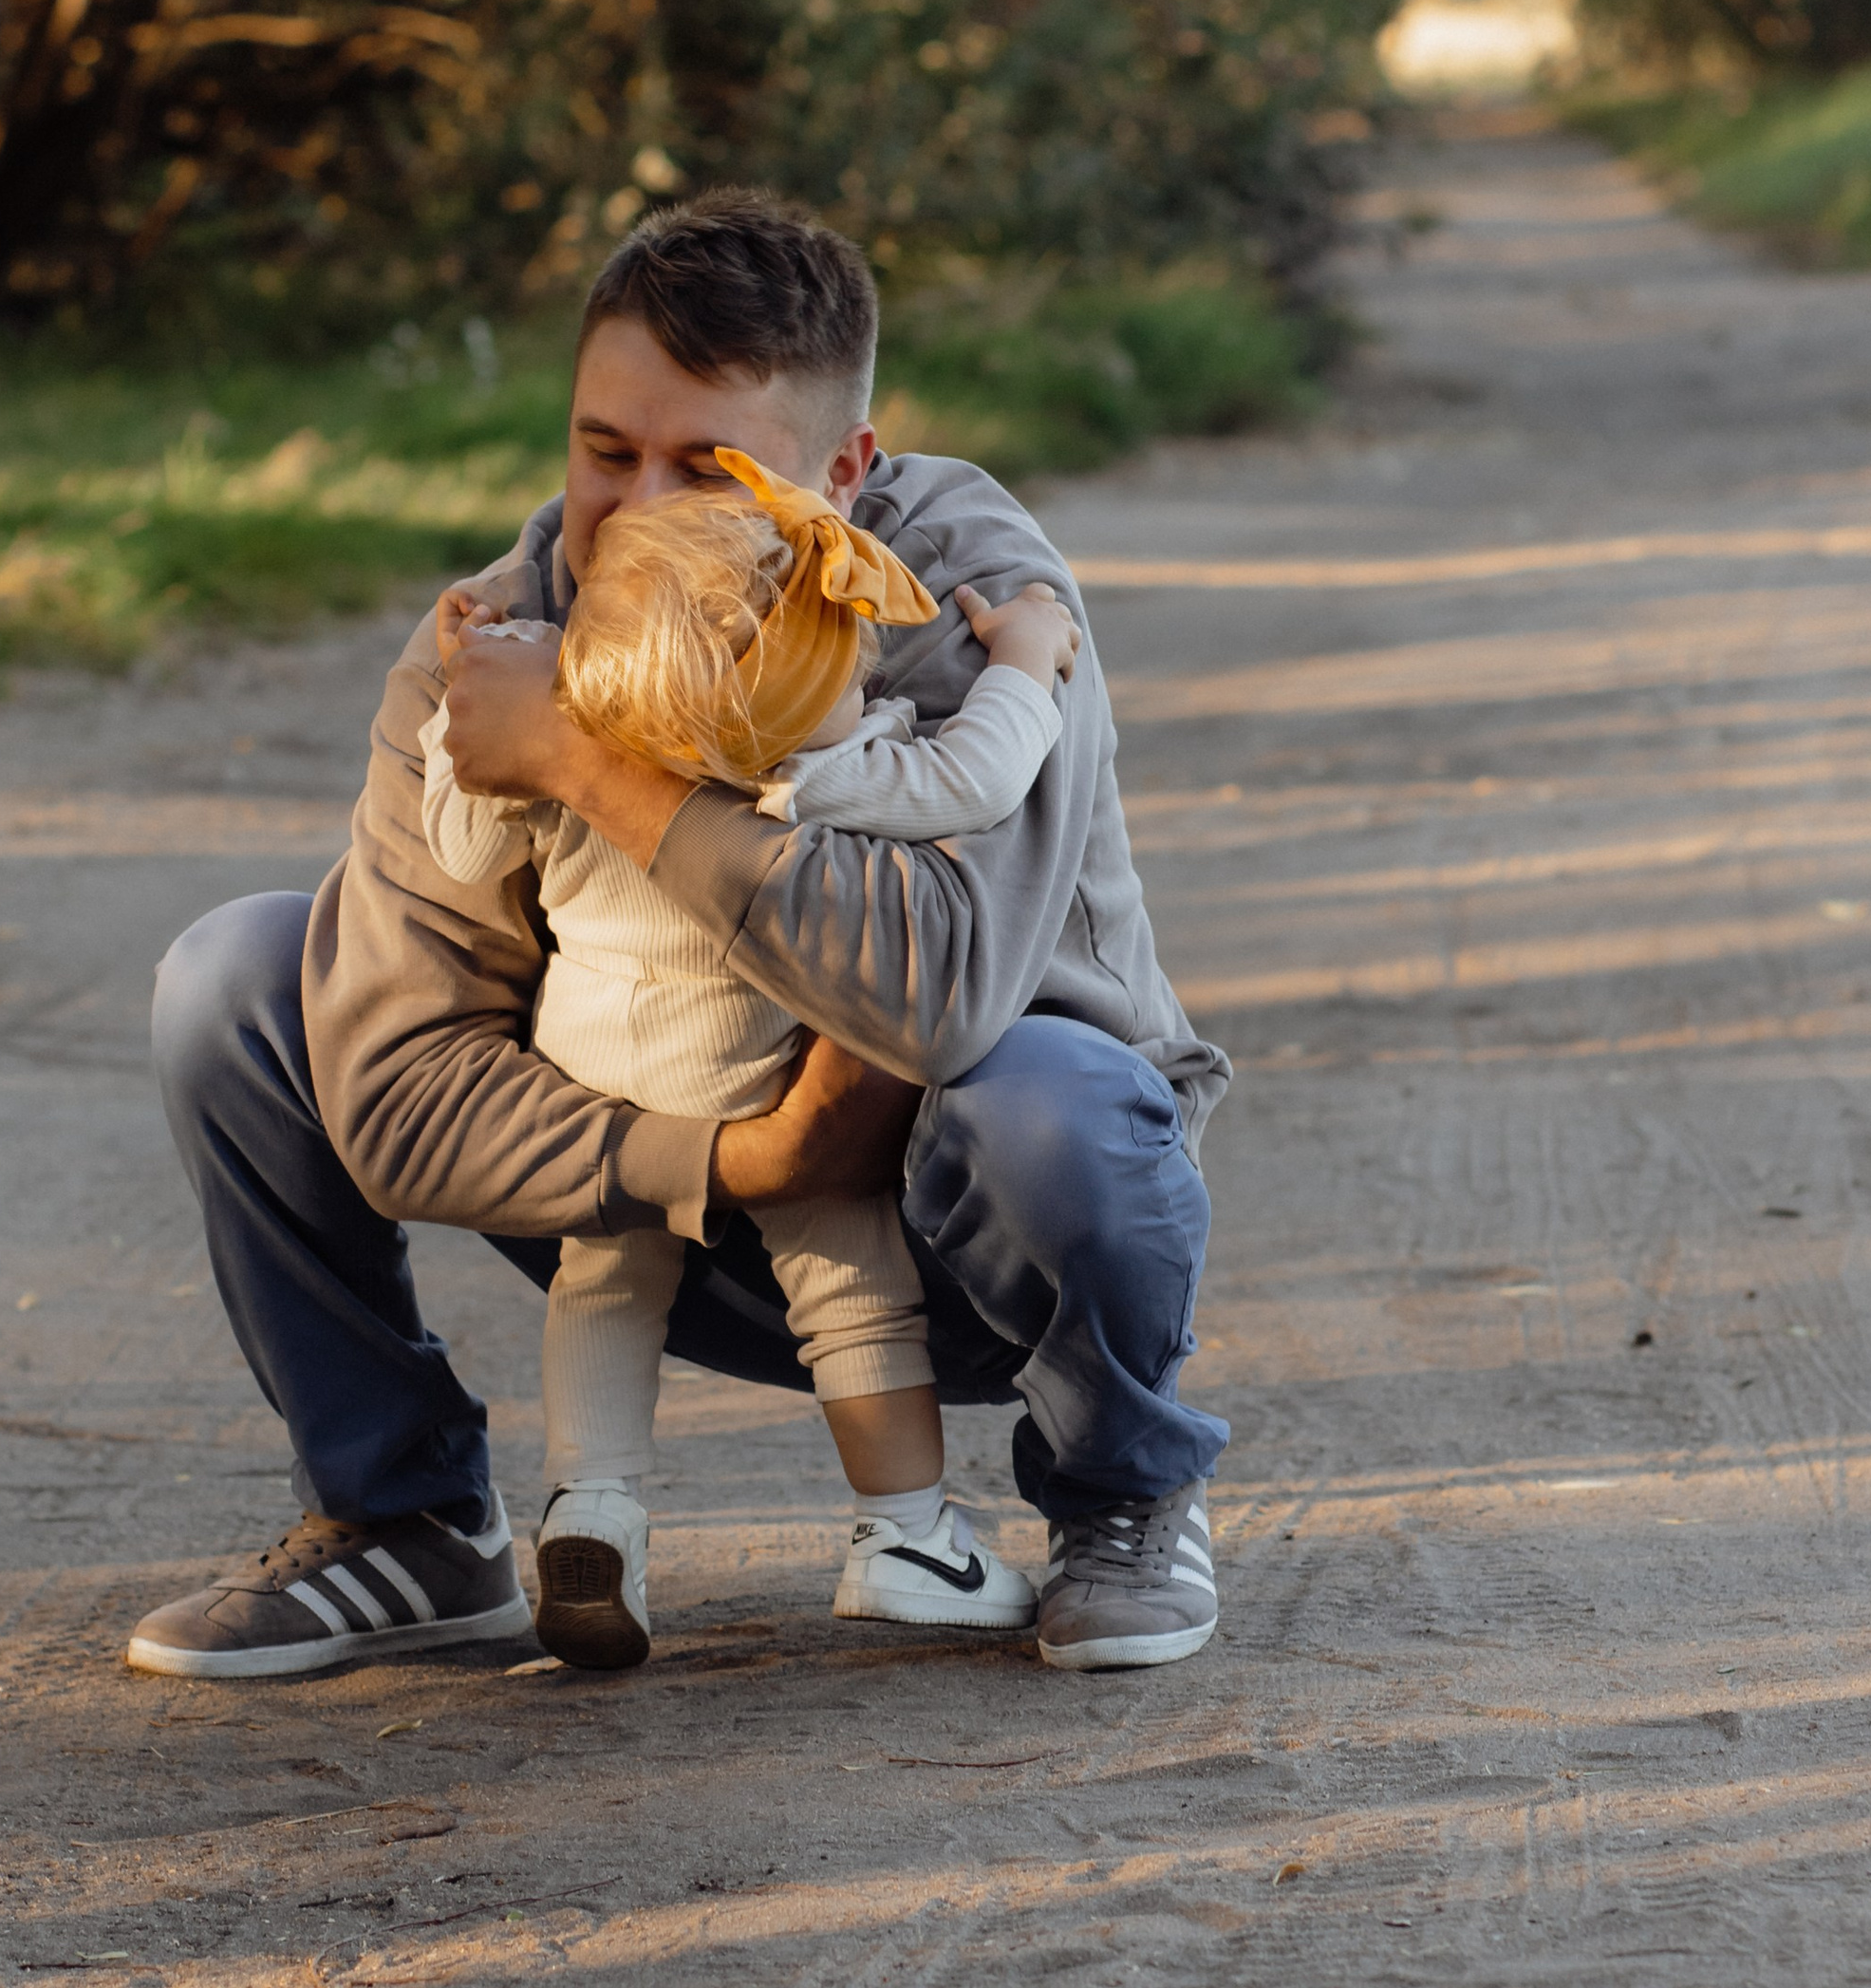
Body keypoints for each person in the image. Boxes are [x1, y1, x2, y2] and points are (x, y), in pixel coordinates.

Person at [126, 190, 1229, 1686]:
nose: (637, 511)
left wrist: (590, 767)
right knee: (239, 983)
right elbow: (390, 1097)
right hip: (652, 1200)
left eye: (704, 470)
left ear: (843, 471)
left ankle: (1120, 1493)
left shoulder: (956, 592)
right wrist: (725, 1166)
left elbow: (947, 1000)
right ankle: (407, 1526)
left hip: (964, 1236)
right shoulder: (494, 637)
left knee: (1049, 1094)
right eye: (604, 452)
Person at [421, 451, 1085, 1665]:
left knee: (603, 1285)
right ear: (790, 682)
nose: (870, 665)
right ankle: (905, 1536)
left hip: (596, 1075)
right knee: (849, 1284)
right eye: (842, 647)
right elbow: (983, 775)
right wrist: (1028, 657)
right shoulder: (816, 775)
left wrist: (459, 695)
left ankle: (595, 1514)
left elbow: (459, 841)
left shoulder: (568, 752)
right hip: (751, 1081)